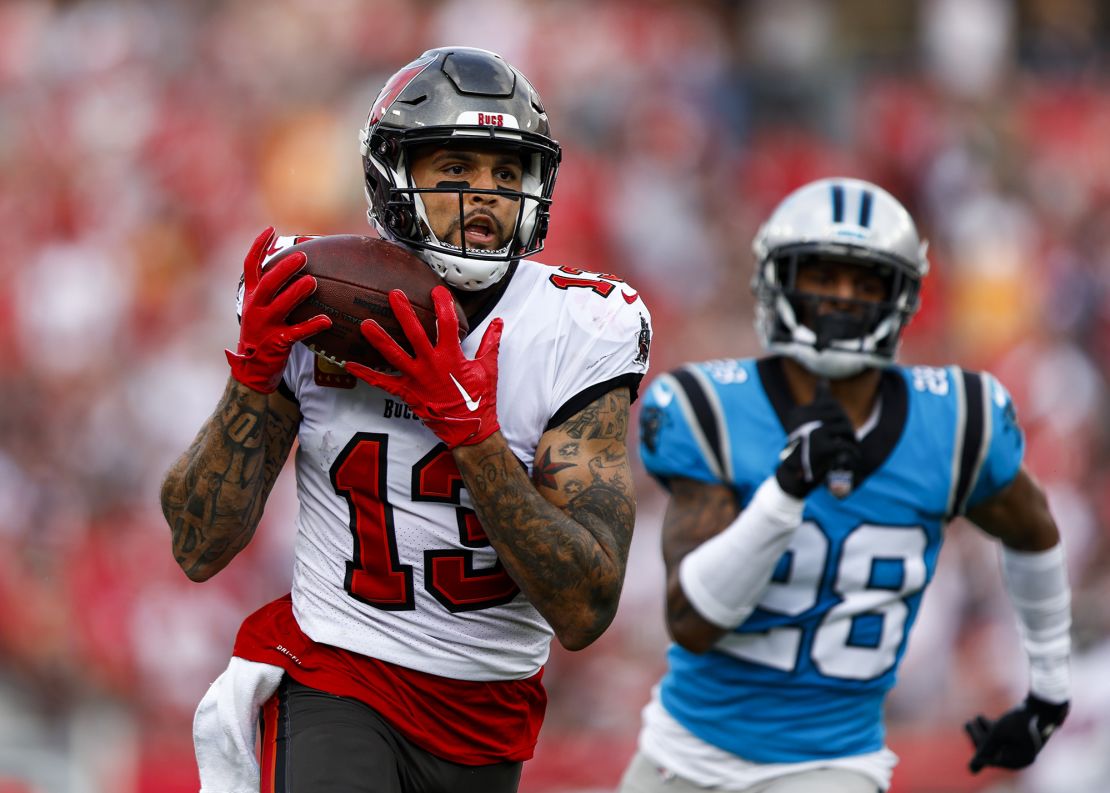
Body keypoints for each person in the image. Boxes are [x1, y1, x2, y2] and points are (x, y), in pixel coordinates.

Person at [160, 46, 652, 793]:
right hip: (337, 670)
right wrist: (252, 376)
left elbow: (584, 605)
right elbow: (197, 545)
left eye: (506, 172)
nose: (486, 193)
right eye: (455, 168)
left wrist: (470, 431)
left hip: (488, 712)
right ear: (394, 175)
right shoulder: (319, 296)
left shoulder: (577, 325)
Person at [618, 177, 1071, 793]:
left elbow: (1034, 532)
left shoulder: (956, 422)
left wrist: (1048, 692)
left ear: (902, 297)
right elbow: (694, 620)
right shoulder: (709, 407)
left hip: (832, 763)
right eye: (823, 276)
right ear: (778, 280)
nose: (842, 298)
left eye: (865, 282)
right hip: (684, 749)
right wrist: (784, 492)